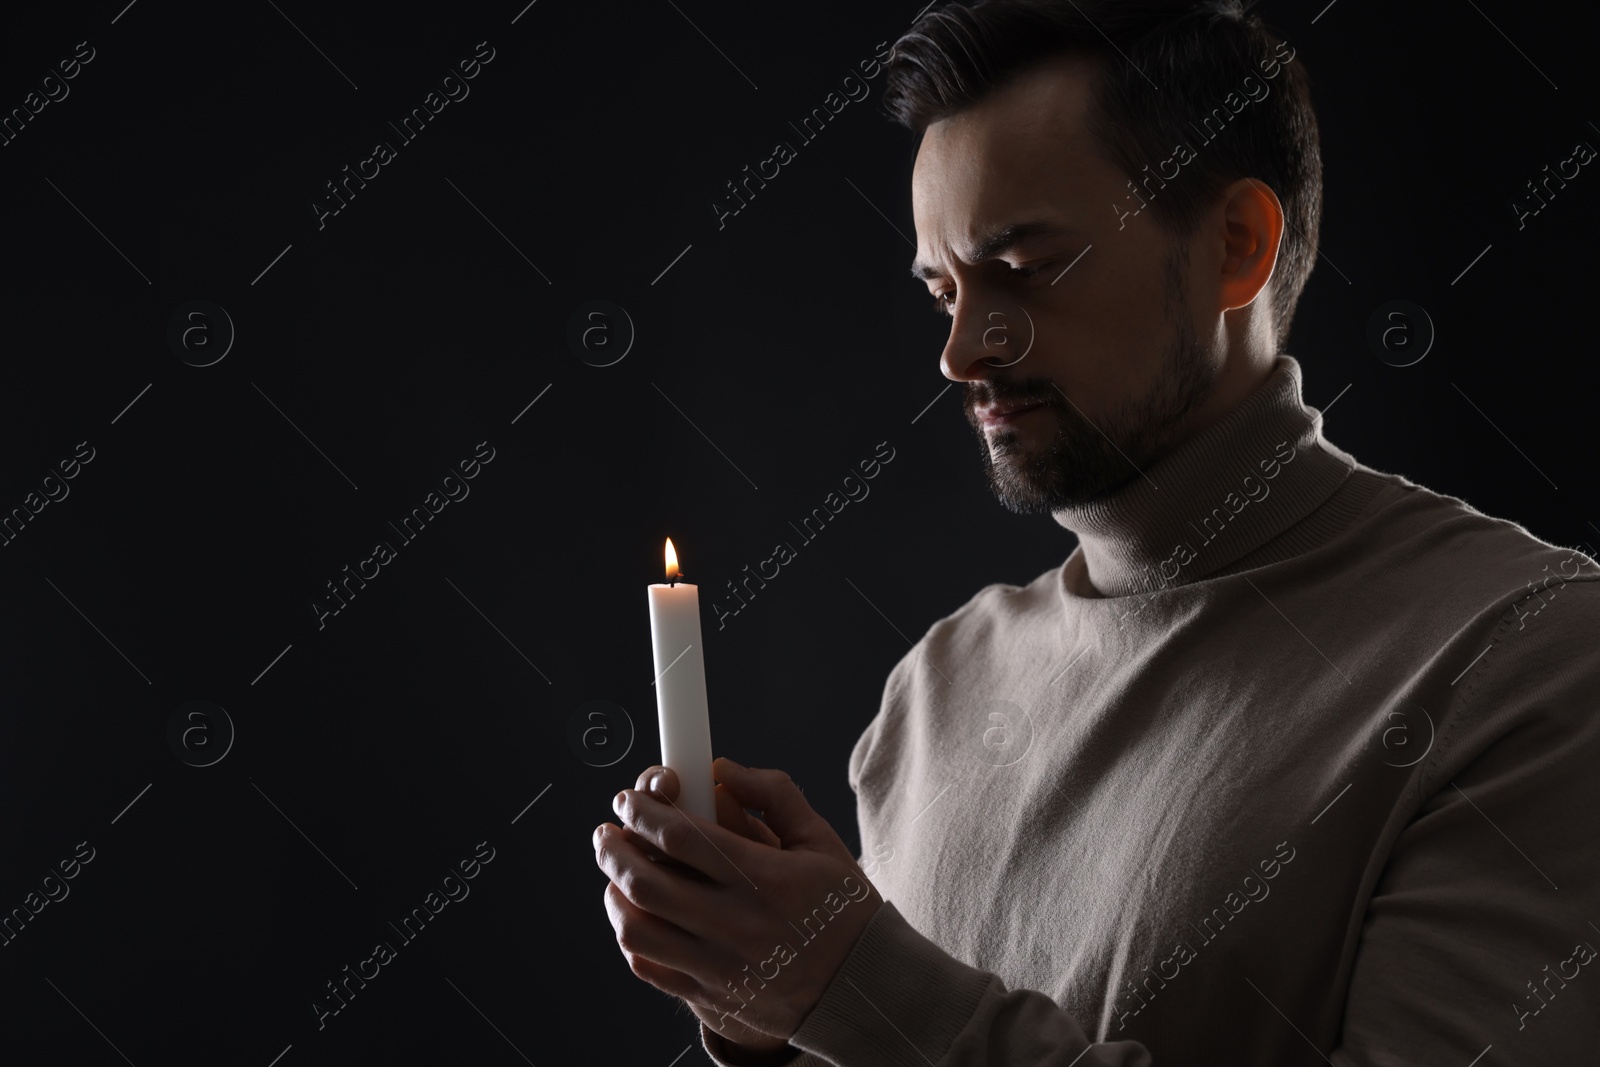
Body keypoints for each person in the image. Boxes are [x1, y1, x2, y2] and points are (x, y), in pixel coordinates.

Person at [593, 1, 1600, 1063]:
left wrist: (858, 984)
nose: (959, 351)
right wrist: (774, 1016)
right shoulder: (937, 689)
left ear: (1234, 245)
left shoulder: (1529, 663)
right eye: (943, 291)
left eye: (1024, 268)